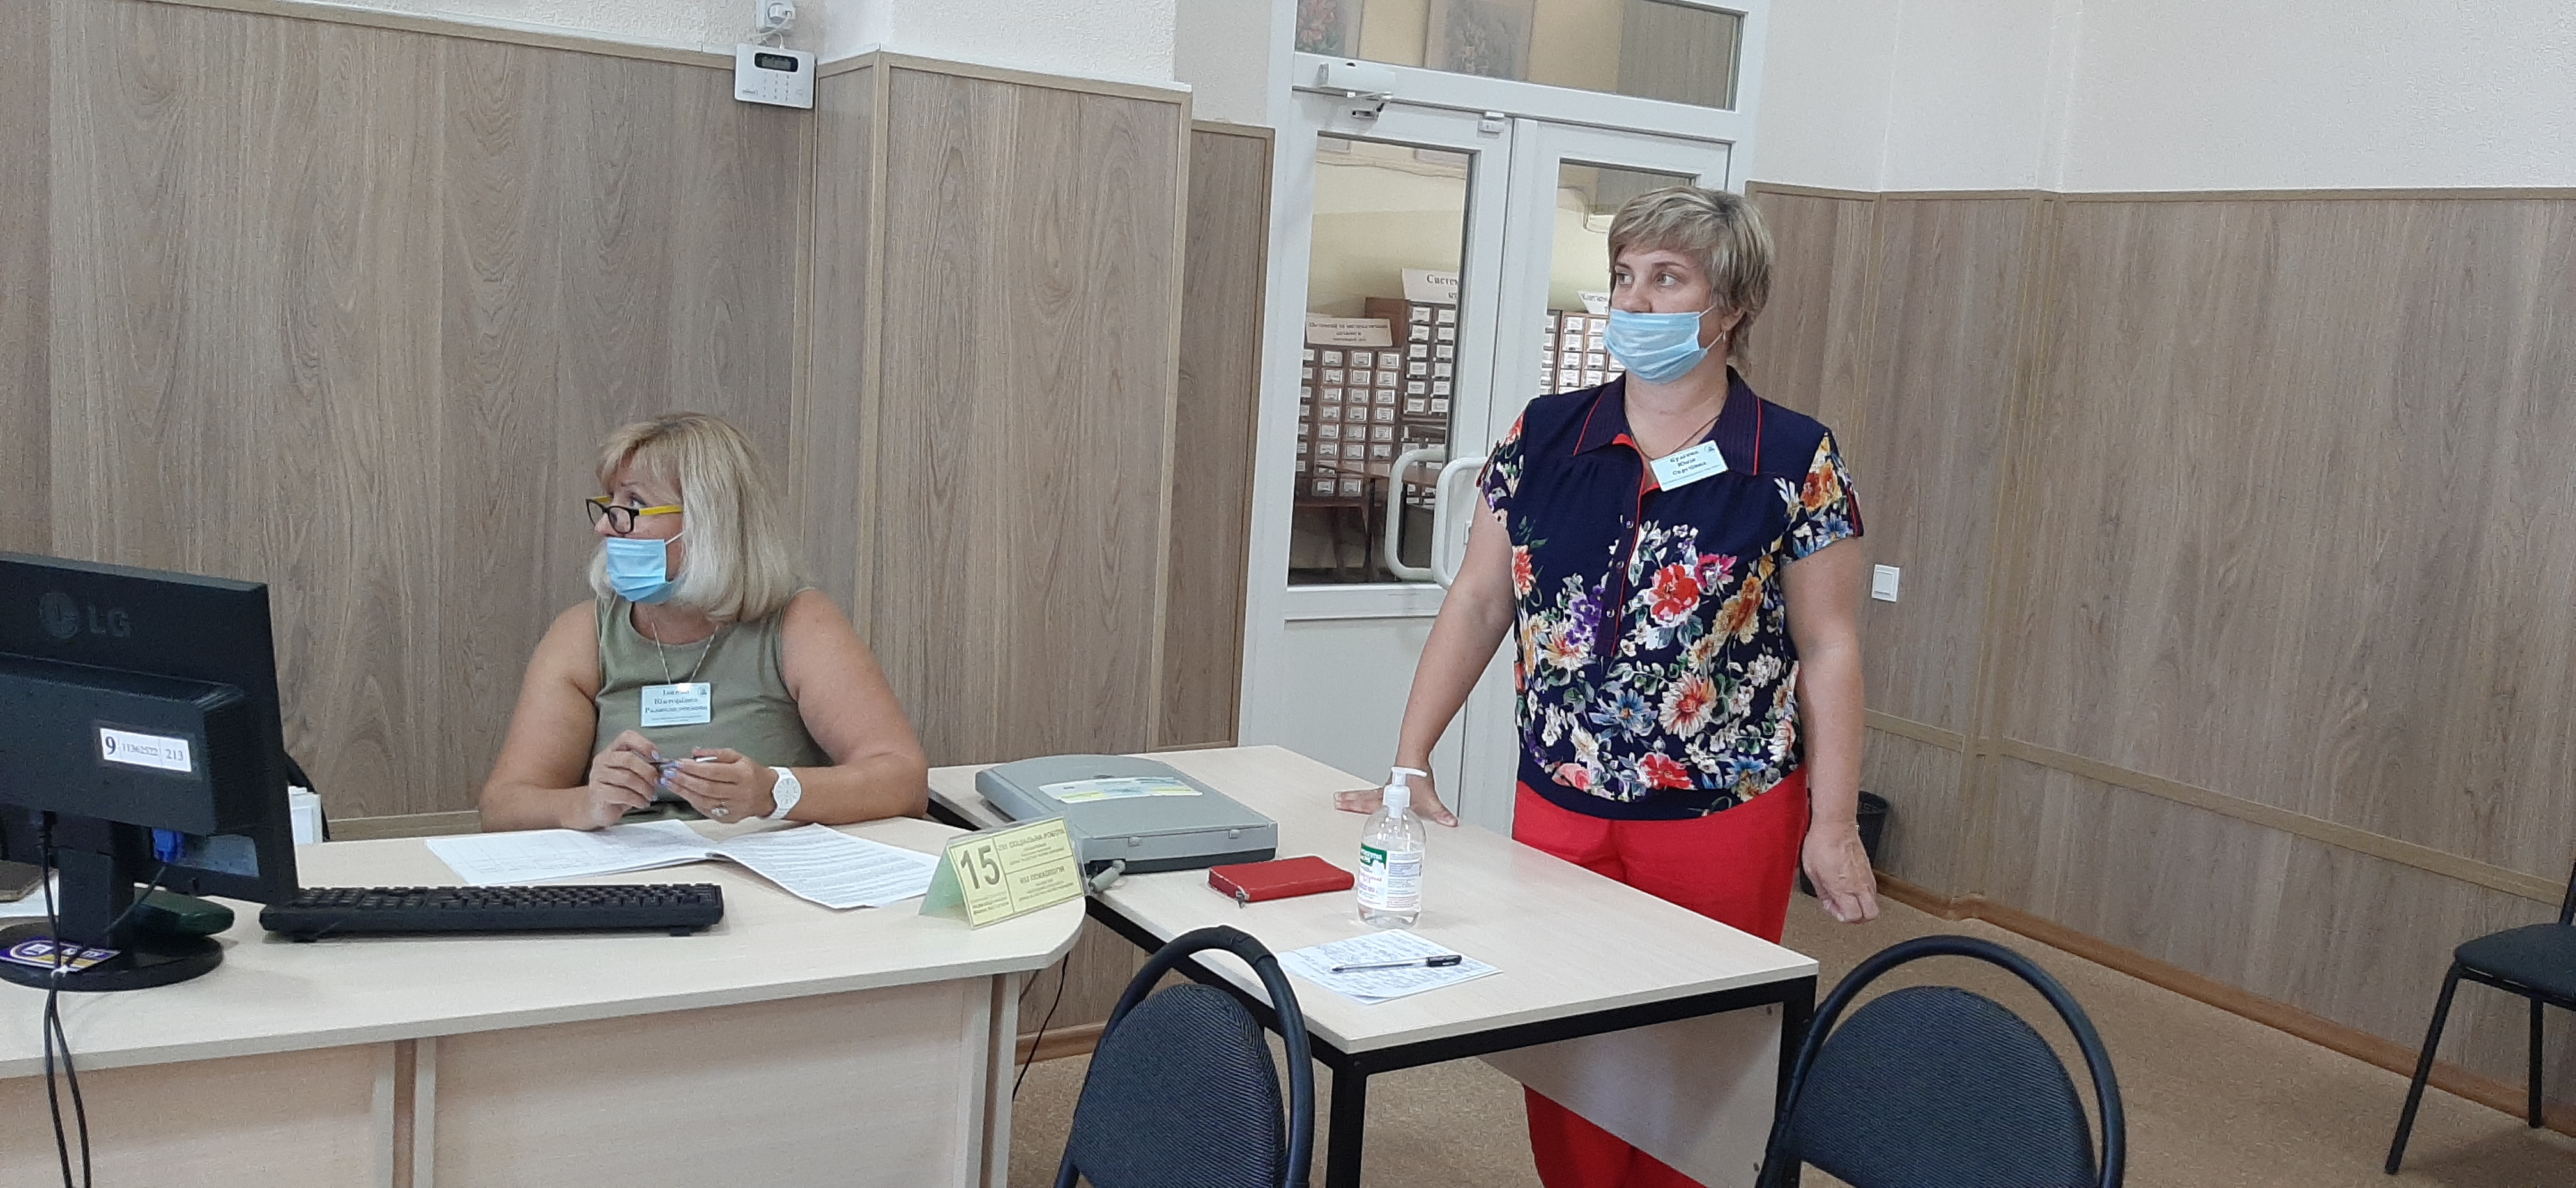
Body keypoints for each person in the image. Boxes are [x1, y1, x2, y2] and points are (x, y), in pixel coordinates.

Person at [1335, 187, 1879, 1188]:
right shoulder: (1546, 435)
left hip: (1723, 813)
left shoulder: (1792, 457)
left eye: (1667, 279)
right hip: (1561, 802)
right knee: (1569, 1048)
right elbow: (1478, 601)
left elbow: (1829, 645)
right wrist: (1410, 759)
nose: (1635, 300)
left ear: (1732, 307)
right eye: (1625, 277)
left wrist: (1834, 822)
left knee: (1699, 1059)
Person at [480, 413, 929, 831]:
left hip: (764, 866)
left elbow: (902, 780)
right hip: (626, 873)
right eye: (610, 502)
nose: (606, 527)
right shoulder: (583, 633)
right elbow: (503, 805)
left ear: (707, 522)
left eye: (634, 503)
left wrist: (772, 792)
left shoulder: (799, 623)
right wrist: (587, 804)